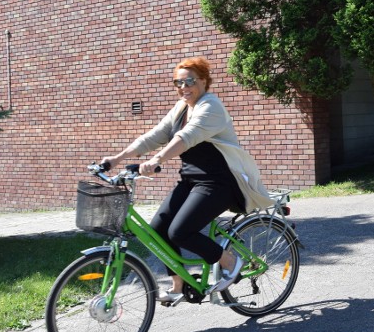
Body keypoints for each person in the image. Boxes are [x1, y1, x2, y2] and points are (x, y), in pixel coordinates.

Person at [101, 57, 271, 305]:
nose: (183, 87)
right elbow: (155, 135)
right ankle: (178, 284)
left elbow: (186, 137)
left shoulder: (210, 106)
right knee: (159, 229)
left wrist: (157, 160)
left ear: (203, 81)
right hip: (192, 180)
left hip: (220, 182)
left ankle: (230, 262)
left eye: (189, 81)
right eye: (177, 82)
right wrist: (117, 158)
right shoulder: (181, 108)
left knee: (180, 231)